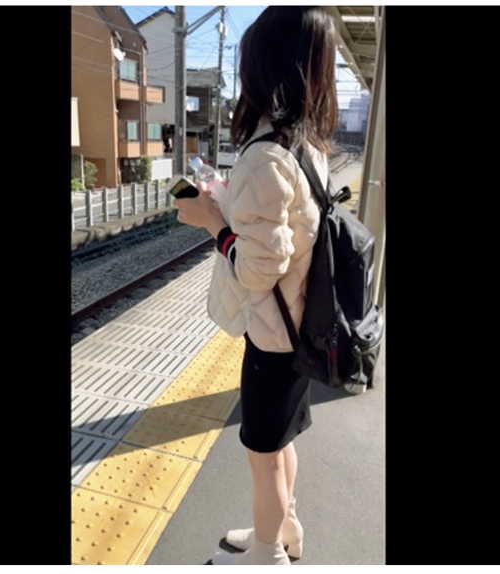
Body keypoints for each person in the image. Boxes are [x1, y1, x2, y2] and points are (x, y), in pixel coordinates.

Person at [173, 6, 338, 566]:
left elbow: (255, 270)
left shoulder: (265, 155)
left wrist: (211, 222)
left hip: (274, 337)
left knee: (261, 452)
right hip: (300, 323)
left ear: (264, 68)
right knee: (281, 441)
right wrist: (230, 206)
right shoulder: (305, 145)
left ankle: (268, 554)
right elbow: (279, 234)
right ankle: (284, 528)